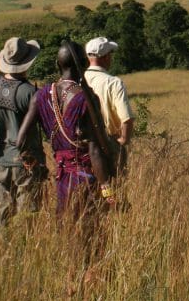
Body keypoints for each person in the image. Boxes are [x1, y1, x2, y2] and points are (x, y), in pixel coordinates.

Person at [17, 41, 115, 226]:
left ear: (57, 64)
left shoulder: (40, 96)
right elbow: (94, 151)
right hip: (86, 176)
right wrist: (108, 191)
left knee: (66, 225)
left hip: (61, 176)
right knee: (89, 230)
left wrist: (32, 163)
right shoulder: (86, 99)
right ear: (84, 64)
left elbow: (20, 140)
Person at [0, 37, 45, 233]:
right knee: (26, 217)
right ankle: (23, 249)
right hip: (26, 161)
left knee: (3, 214)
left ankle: (4, 248)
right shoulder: (31, 92)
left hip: (1, 159)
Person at [84, 36, 134, 171]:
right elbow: (127, 119)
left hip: (82, 146)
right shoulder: (114, 83)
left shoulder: (78, 81)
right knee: (115, 182)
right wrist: (123, 141)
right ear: (105, 57)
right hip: (108, 143)